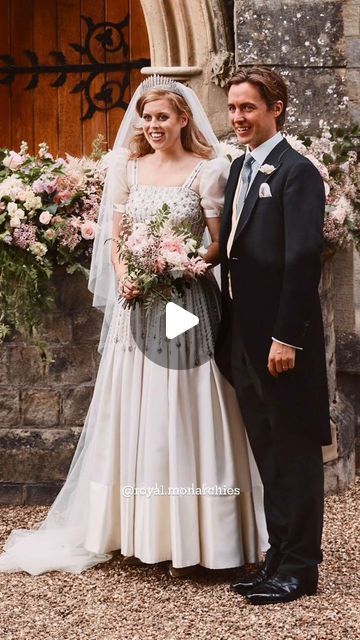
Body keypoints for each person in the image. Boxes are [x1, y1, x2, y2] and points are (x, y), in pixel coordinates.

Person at [0, 75, 266, 576]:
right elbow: (115, 239)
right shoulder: (128, 167)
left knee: (187, 406)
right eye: (147, 117)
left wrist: (181, 264)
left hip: (186, 303)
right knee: (136, 409)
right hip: (137, 305)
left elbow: (219, 243)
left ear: (183, 119)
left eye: (162, 116)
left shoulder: (209, 171)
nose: (153, 125)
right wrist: (130, 276)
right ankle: (135, 531)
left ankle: (203, 537)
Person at [215, 66, 331, 605]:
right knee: (267, 451)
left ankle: (301, 568)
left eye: (248, 108)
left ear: (276, 107)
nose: (238, 117)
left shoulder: (297, 172)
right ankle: (277, 557)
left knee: (295, 452)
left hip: (283, 345)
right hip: (244, 338)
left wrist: (287, 337)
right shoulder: (240, 168)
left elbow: (303, 260)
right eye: (233, 108)